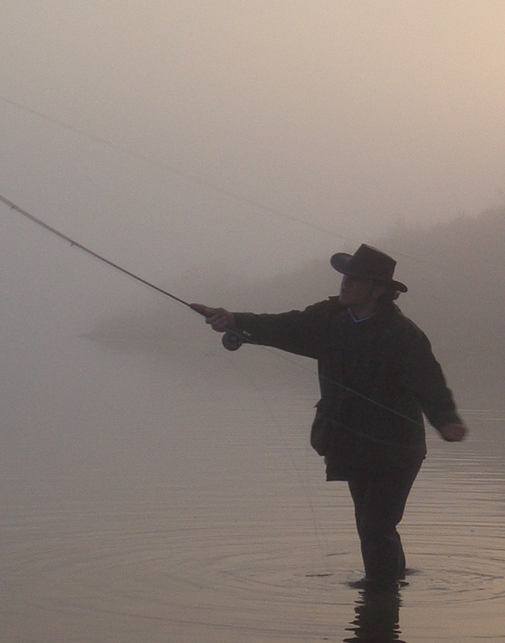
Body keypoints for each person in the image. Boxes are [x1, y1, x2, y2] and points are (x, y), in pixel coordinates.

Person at [191, 244, 466, 590]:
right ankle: (387, 596)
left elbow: (430, 382)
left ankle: (381, 595)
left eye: (355, 278)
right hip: (352, 443)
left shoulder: (404, 334)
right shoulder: (328, 318)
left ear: (378, 290)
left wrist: (446, 420)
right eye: (346, 276)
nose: (345, 283)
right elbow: (283, 326)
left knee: (376, 525)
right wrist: (234, 320)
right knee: (369, 525)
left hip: (396, 450)